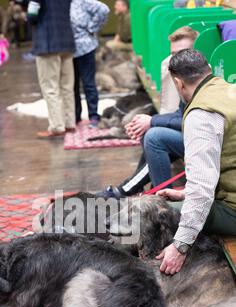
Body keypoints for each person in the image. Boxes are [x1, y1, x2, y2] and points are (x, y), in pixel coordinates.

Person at [156, 49, 236, 275]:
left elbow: (201, 191)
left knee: (160, 213)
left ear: (179, 83)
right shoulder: (231, 89)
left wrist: (180, 246)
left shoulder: (202, 115)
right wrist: (186, 192)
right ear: (208, 69)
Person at [97, 26, 199, 199]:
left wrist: (152, 122)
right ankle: (155, 192)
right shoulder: (186, 75)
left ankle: (136, 191)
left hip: (209, 140)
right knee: (149, 133)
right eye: (173, 54)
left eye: (183, 52)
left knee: (155, 136)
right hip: (194, 135)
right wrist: (149, 120)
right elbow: (181, 114)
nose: (176, 59)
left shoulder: (201, 75)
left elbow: (191, 120)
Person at [34, 0, 76, 139]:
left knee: (50, 87)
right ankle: (69, 122)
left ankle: (57, 126)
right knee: (67, 87)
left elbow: (32, 14)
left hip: (47, 42)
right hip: (67, 40)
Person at [71, 0, 109, 128]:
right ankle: (76, 116)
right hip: (68, 50)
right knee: (72, 85)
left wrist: (92, 27)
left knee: (88, 83)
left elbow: (103, 9)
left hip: (85, 47)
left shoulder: (82, 2)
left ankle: (93, 115)